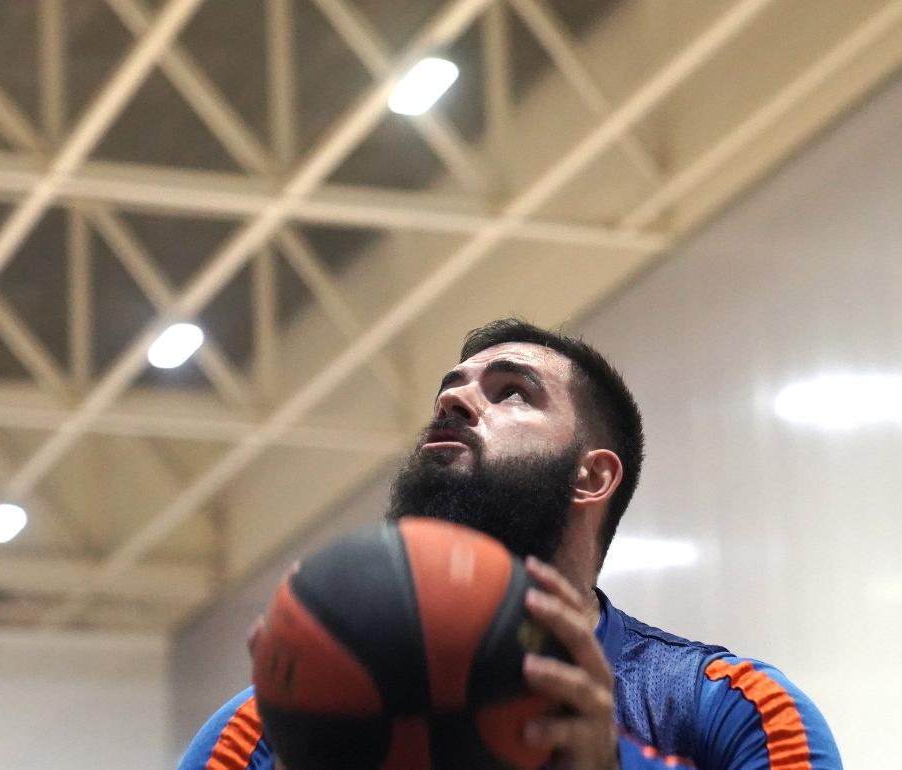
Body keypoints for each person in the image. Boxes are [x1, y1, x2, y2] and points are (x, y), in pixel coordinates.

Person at [179, 318, 842, 770]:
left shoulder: (731, 708)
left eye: (512, 393)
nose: (456, 402)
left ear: (593, 474)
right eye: (451, 391)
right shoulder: (269, 726)